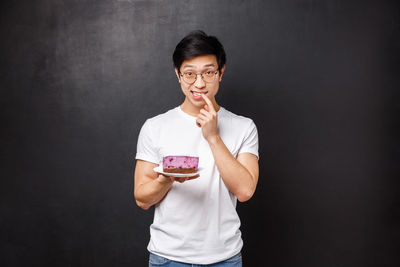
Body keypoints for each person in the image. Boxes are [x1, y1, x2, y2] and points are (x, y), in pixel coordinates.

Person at [134, 30, 259, 267]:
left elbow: (245, 191)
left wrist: (213, 137)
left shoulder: (244, 127)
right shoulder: (155, 127)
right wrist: (166, 179)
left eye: (208, 72)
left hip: (225, 258)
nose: (199, 83)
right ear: (178, 75)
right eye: (190, 74)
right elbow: (141, 199)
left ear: (221, 73)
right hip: (168, 258)